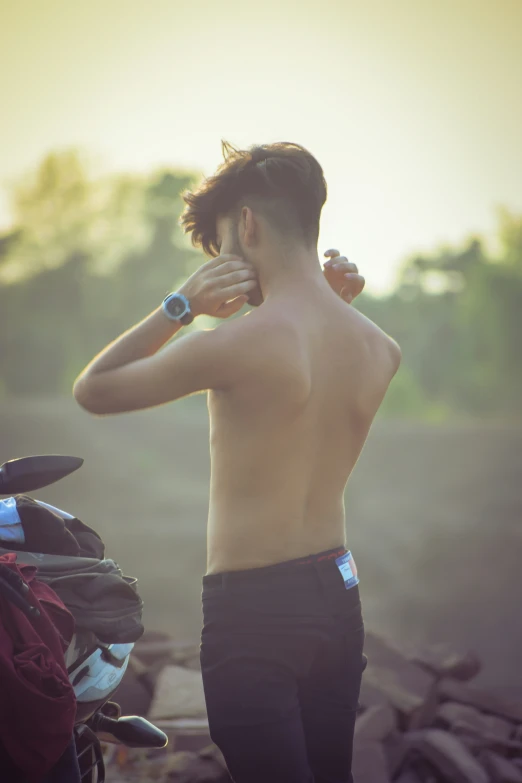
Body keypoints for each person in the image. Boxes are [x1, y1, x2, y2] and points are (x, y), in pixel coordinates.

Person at [73, 140, 401, 783]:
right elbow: (313, 366)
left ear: (246, 225)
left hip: (254, 609)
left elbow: (96, 389)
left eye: (223, 248)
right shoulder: (377, 346)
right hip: (339, 595)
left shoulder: (238, 344)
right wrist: (333, 303)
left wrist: (182, 305)